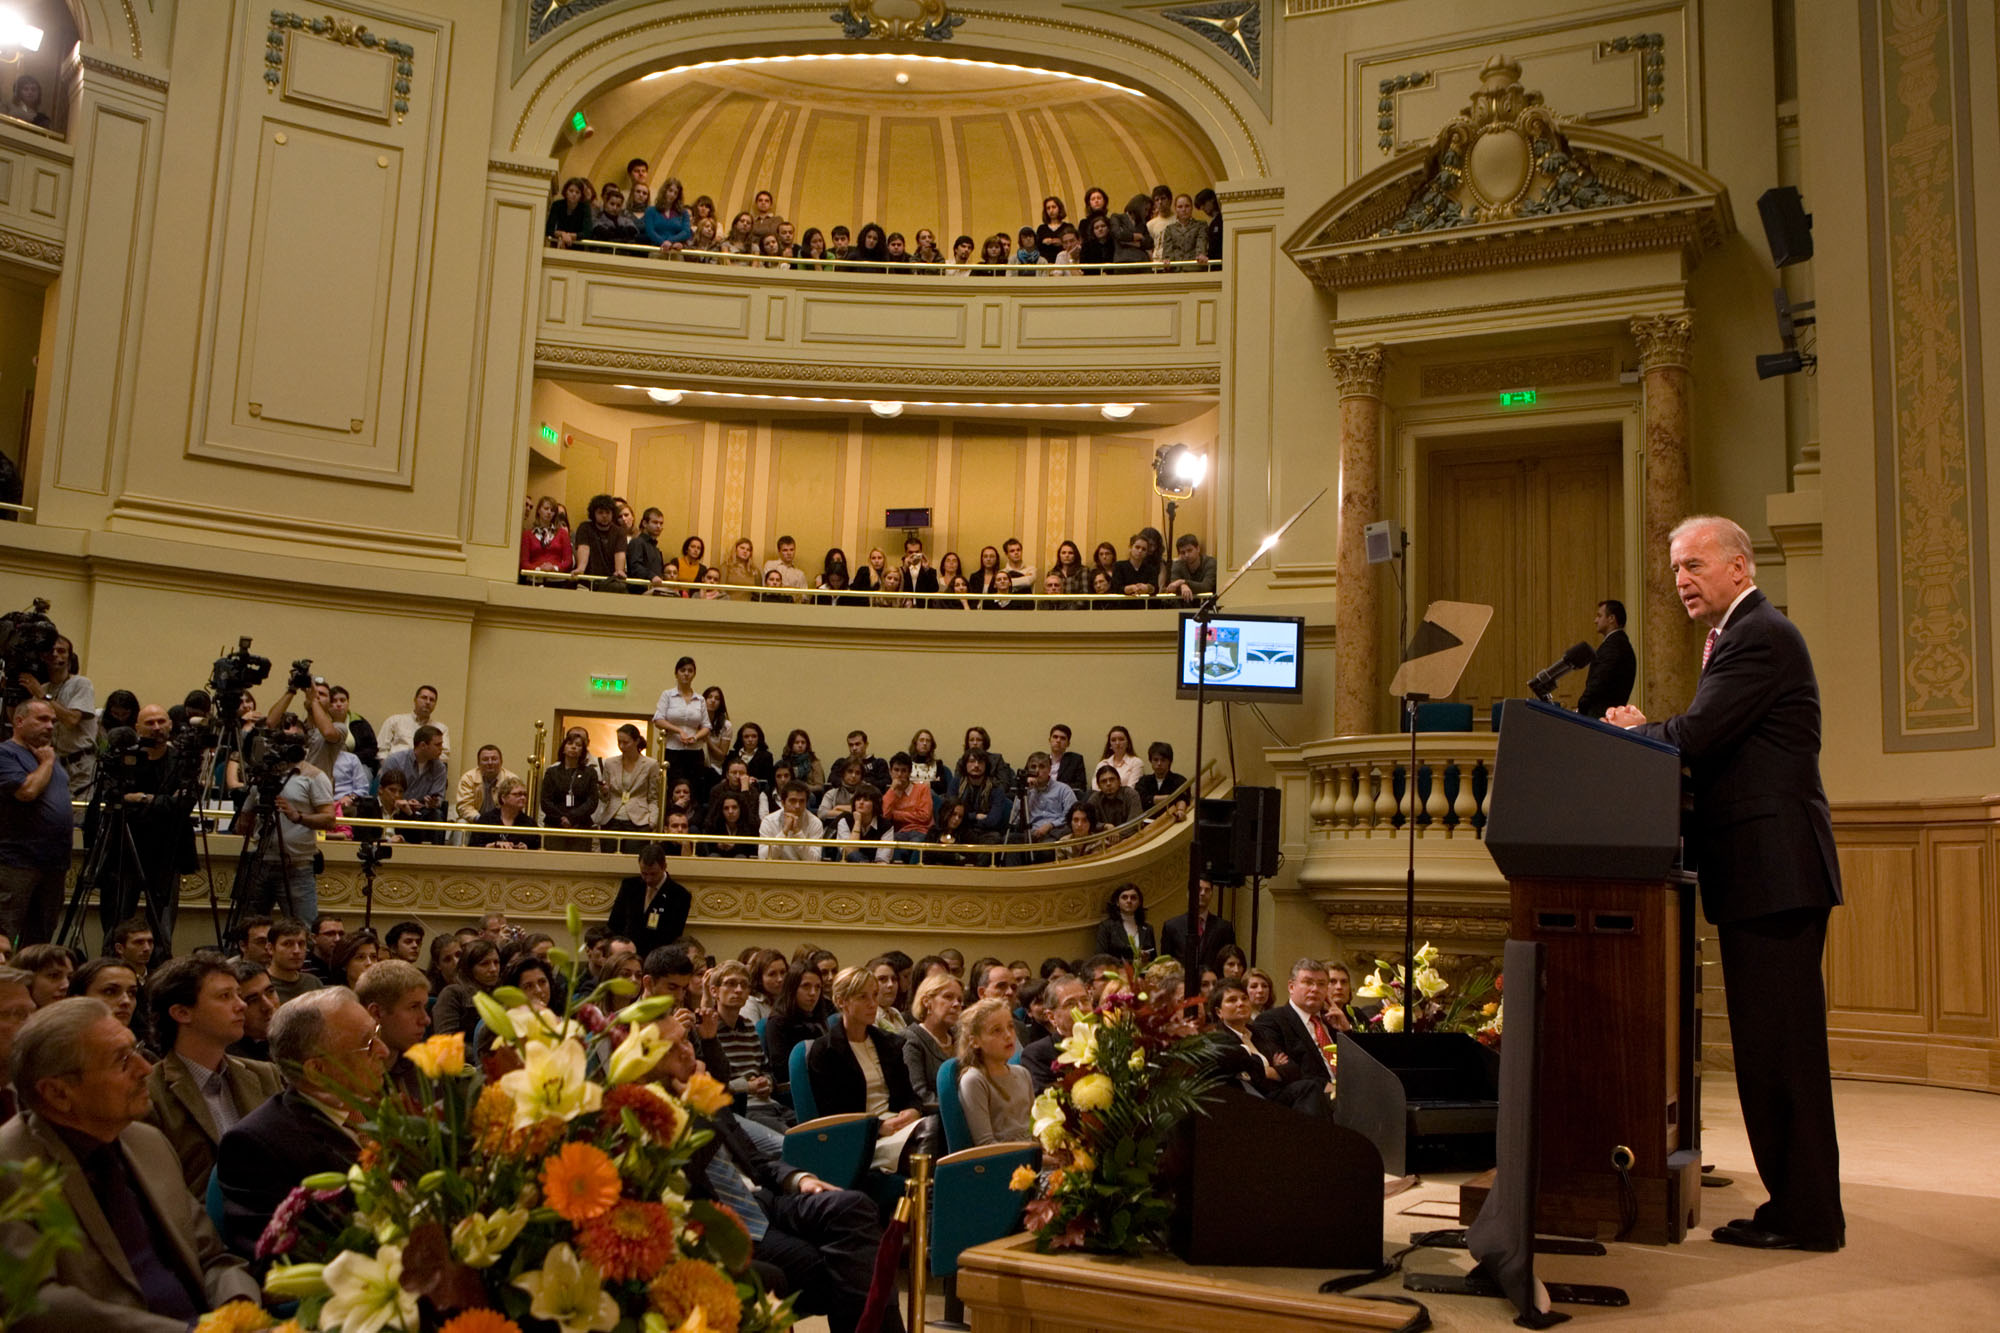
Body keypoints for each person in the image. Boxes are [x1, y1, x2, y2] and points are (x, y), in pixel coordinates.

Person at [1604, 515, 1844, 1252]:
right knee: (1771, 1049)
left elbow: (1699, 735)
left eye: (1695, 563)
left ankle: (1807, 1215)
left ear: (1739, 567)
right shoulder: (1742, 634)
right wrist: (1655, 731)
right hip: (1762, 873)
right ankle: (1795, 1204)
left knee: (1783, 1053)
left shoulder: (1758, 634)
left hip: (1774, 872)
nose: (1681, 578)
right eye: (1676, 566)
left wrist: (1631, 734)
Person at [1, 997, 263, 1327]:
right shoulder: (9, 1167)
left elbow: (214, 1256)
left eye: (135, 1049)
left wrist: (238, 1310)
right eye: (121, 1061)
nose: (145, 1068)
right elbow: (39, 1306)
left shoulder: (146, 1141)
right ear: (57, 1094)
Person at [654, 1027, 902, 1333]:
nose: (687, 1051)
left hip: (766, 1201)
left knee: (853, 1205)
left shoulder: (704, 1093)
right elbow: (688, 1173)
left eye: (685, 1041)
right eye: (672, 1048)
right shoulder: (651, 1115)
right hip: (722, 1222)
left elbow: (756, 1161)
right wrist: (693, 1107)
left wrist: (798, 1179)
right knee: (846, 1267)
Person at [215, 988, 389, 1262]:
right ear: (317, 1071)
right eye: (368, 1044)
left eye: (377, 1033)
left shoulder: (380, 1103)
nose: (384, 1050)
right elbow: (278, 1257)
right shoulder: (255, 1145)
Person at [140, 956, 283, 1192]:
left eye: (238, 994)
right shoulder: (149, 1093)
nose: (242, 1005)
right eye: (225, 996)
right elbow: (162, 1194)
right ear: (182, 1013)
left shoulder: (265, 1074)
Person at [805, 967, 925, 1171]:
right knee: (927, 1141)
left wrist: (914, 1110)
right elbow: (832, 1114)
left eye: (875, 995)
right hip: (863, 1138)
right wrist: (877, 1128)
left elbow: (909, 1095)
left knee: (935, 1130)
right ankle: (925, 1201)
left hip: (898, 1126)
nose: (873, 1004)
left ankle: (924, 1200)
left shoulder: (889, 1043)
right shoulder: (825, 1050)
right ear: (842, 1001)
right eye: (863, 997)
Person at [0, 699, 71, 944]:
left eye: (53, 720)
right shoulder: (6, 753)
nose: (50, 726)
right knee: (4, 934)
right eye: (42, 719)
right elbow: (26, 792)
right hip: (17, 862)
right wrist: (48, 763)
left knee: (41, 940)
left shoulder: (50, 756)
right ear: (19, 721)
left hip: (54, 863)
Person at [709, 959, 789, 1131]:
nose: (738, 990)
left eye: (744, 985)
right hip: (741, 1109)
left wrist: (766, 1082)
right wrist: (747, 1086)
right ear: (714, 991)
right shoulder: (708, 1030)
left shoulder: (749, 1027)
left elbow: (766, 1069)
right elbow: (709, 1085)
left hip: (769, 1103)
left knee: (816, 1133)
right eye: (730, 984)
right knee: (792, 1140)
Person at [1250, 958, 1338, 1108]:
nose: (1315, 989)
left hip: (1348, 1092)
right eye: (1308, 982)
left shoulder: (1332, 1020)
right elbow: (1286, 1069)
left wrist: (1346, 1030)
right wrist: (1326, 1085)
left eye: (1321, 984)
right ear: (1291, 986)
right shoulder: (1272, 1020)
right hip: (1309, 1098)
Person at [956, 995, 1033, 1146]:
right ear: (975, 1041)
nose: (1008, 1035)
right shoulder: (974, 1079)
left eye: (1010, 1026)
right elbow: (986, 1144)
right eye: (996, 1030)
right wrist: (1037, 1157)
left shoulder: (1022, 1073)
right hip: (1003, 1163)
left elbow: (1034, 1130)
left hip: (1034, 1157)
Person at [355, 958, 431, 1100]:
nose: (426, 1020)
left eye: (424, 1007)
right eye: (413, 1007)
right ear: (376, 1013)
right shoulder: (348, 1077)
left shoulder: (426, 1066)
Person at [608, 839, 692, 959]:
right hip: (626, 957)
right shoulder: (630, 886)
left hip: (656, 959)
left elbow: (672, 936)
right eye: (644, 873)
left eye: (653, 874)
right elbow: (614, 924)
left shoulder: (679, 895)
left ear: (664, 867)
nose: (648, 879)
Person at [1018, 973, 1089, 1094]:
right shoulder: (1037, 1054)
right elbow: (1047, 1100)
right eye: (1070, 1004)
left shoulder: (1107, 1041)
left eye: (1085, 1000)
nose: (1081, 1008)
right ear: (1051, 1017)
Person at [378, 724, 449, 842]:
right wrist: (404, 802)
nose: (441, 748)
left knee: (435, 815)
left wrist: (431, 803)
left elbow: (439, 798)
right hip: (396, 807)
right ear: (423, 745)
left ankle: (433, 855)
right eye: (437, 745)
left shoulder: (439, 767)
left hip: (423, 810)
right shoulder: (395, 760)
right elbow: (385, 792)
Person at [761, 961, 827, 1083]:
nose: (813, 993)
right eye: (806, 986)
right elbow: (782, 1071)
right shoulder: (778, 1022)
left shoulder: (818, 1019)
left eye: (818, 987)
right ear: (792, 988)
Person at [652, 654, 710, 791]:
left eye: (690, 671)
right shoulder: (667, 695)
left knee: (694, 787)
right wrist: (679, 731)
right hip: (673, 749)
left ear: (694, 674)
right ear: (676, 673)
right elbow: (658, 719)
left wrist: (695, 737)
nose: (686, 674)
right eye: (683, 670)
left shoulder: (700, 699)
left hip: (695, 751)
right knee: (673, 786)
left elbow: (706, 726)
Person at [1575, 597, 1637, 719]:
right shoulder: (1620, 643)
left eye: (1599, 616)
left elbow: (1599, 680)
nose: (1595, 620)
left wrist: (1581, 705)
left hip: (1600, 716)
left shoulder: (1614, 646)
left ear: (1611, 619)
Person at [1161, 876, 1238, 973]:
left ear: (1211, 894)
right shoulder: (1171, 926)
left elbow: (1230, 960)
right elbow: (1165, 964)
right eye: (1198, 889)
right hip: (1181, 983)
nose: (1202, 893)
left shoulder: (1224, 928)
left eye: (1207, 890)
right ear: (1189, 894)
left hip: (1213, 984)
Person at [539, 725, 600, 847]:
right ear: (563, 748)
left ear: (583, 751)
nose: (573, 747)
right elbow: (545, 800)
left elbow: (592, 801)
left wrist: (572, 817)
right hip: (555, 824)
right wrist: (562, 818)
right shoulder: (552, 772)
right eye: (570, 744)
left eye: (578, 745)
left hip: (581, 825)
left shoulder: (589, 773)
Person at [596, 722, 660, 836]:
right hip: (612, 818)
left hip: (639, 820)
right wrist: (604, 791)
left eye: (625, 742)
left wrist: (652, 821)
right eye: (619, 742)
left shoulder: (651, 764)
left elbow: (653, 797)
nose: (621, 746)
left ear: (636, 741)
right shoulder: (610, 763)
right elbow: (604, 797)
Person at [377, 685, 449, 759]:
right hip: (395, 768)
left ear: (435, 704)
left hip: (426, 768)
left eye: (432, 700)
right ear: (415, 700)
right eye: (424, 698)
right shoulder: (394, 721)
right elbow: (381, 750)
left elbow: (444, 756)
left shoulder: (441, 729)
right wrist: (387, 767)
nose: (428, 702)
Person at [453, 743, 519, 823]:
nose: (490, 763)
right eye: (485, 759)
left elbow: (515, 806)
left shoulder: (511, 779)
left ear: (501, 762)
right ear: (478, 763)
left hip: (503, 821)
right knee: (461, 823)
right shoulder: (468, 778)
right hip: (475, 820)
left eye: (494, 759)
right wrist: (481, 820)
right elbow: (465, 806)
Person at [759, 780, 825, 860]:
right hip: (775, 869)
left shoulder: (815, 823)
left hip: (804, 870)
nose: (797, 806)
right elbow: (763, 857)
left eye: (801, 801)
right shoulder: (769, 821)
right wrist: (784, 832)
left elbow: (814, 860)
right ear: (783, 803)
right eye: (793, 801)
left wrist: (797, 833)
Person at [468, 776, 540, 848]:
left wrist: (527, 848)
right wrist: (493, 845)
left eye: (525, 795)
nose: (523, 798)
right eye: (517, 794)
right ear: (503, 798)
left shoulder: (530, 824)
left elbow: (538, 850)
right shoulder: (486, 820)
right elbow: (472, 846)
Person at [228, 960, 278, 1063]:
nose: (268, 1006)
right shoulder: (234, 1060)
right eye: (253, 1000)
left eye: (270, 992)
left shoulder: (296, 1034)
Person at [263, 917, 320, 1005]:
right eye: (287, 944)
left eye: (301, 944)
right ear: (270, 948)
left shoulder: (313, 983)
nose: (296, 951)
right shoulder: (262, 985)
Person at [1093, 883, 1155, 960]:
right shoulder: (1107, 926)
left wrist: (1147, 957)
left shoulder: (1147, 928)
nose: (1129, 901)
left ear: (1139, 903)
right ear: (1117, 902)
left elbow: (1154, 958)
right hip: (1116, 971)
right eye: (1124, 897)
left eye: (1133, 898)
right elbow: (1100, 957)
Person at [1161, 532, 1217, 602]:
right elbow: (1173, 586)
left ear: (1198, 549)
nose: (1186, 555)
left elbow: (1206, 587)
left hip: (1207, 604)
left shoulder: (1210, 562)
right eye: (1183, 552)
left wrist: (1183, 582)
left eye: (1190, 550)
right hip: (1186, 604)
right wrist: (1182, 585)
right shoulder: (1178, 564)